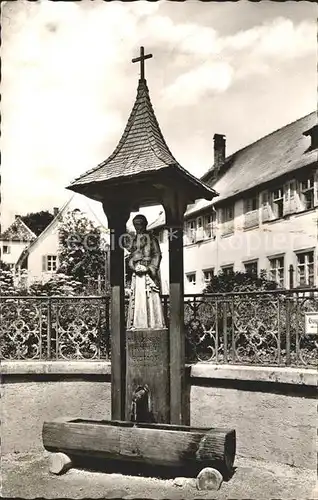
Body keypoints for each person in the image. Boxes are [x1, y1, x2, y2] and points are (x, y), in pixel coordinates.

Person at [126, 214, 166, 330]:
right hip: (137, 276)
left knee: (151, 302)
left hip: (149, 275)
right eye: (135, 225)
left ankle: (153, 324)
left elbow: (157, 255)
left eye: (139, 224)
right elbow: (130, 257)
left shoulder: (152, 239)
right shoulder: (134, 241)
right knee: (138, 302)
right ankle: (138, 324)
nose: (137, 227)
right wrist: (133, 264)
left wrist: (149, 268)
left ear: (145, 224)